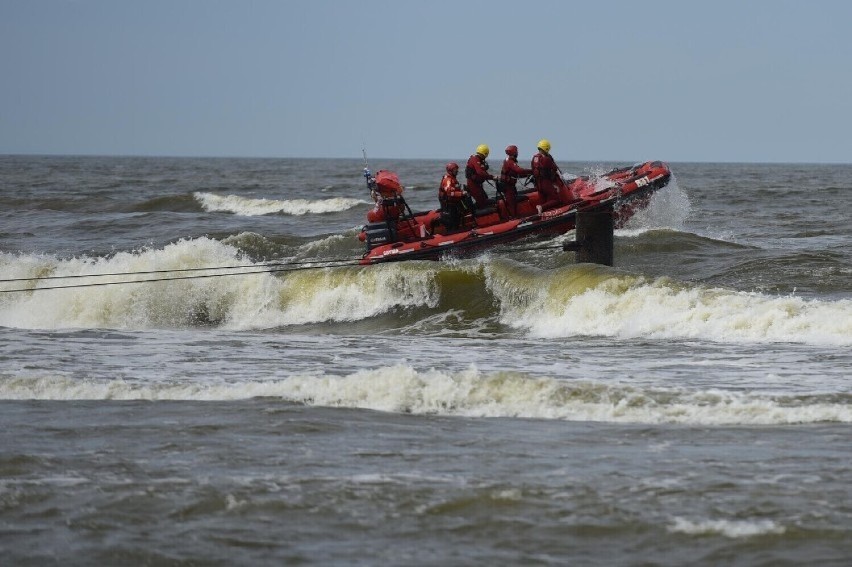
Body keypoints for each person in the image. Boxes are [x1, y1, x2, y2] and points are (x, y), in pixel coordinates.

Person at [531, 138, 565, 211]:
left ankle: (542, 212)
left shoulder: (534, 158)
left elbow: (533, 169)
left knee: (543, 201)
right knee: (556, 200)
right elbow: (555, 168)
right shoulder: (546, 159)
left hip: (538, 184)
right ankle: (541, 207)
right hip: (545, 183)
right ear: (546, 149)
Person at [499, 145, 533, 217]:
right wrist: (532, 171)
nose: (517, 153)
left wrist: (527, 175)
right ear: (514, 152)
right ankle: (513, 218)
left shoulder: (508, 160)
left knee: (513, 202)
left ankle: (515, 216)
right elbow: (519, 170)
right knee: (512, 203)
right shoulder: (510, 162)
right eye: (516, 151)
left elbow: (516, 174)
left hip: (509, 186)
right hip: (508, 187)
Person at [438, 162, 469, 230]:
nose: (457, 171)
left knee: (457, 218)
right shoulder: (448, 180)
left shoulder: (453, 178)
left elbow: (455, 188)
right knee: (452, 222)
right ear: (451, 170)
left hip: (454, 204)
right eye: (455, 169)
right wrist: (461, 194)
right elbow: (449, 193)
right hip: (449, 205)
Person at [465, 144, 497, 209]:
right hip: (473, 185)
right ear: (485, 154)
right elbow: (480, 172)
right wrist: (492, 177)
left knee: (485, 199)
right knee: (482, 203)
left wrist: (491, 176)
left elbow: (483, 171)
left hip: (477, 184)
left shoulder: (479, 160)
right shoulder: (475, 159)